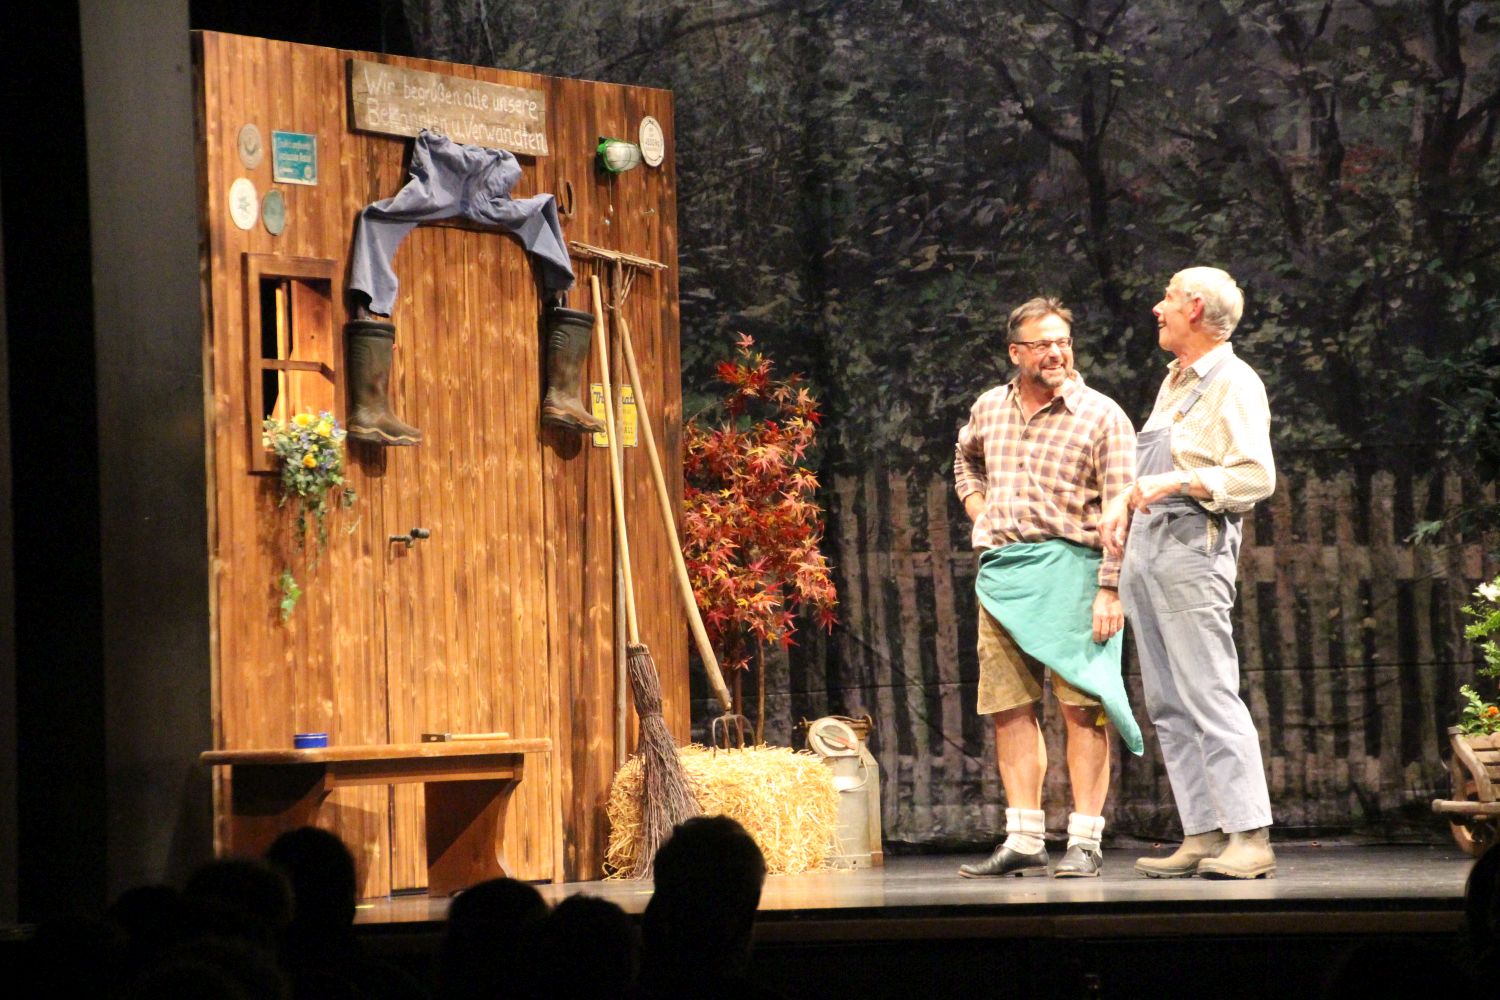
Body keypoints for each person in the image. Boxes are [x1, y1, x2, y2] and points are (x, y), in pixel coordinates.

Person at [953, 297, 1139, 879]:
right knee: (1009, 707)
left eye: (1063, 342)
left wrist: (1110, 589)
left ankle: (1084, 840)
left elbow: (1123, 509)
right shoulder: (989, 407)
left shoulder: (1102, 415)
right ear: (1016, 352)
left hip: (1076, 574)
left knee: (1082, 709)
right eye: (1042, 344)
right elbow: (965, 460)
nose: (1056, 352)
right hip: (1005, 576)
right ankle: (1025, 837)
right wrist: (980, 509)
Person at [1100, 266, 1277, 879]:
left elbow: (1255, 477)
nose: (1158, 307)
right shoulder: (1175, 380)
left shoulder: (1235, 382)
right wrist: (1124, 501)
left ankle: (1250, 836)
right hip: (1149, 544)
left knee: (1209, 693)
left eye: (1168, 297)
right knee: (1169, 704)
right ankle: (1202, 832)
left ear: (1195, 308)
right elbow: (1152, 470)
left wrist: (1175, 480)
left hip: (1192, 545)